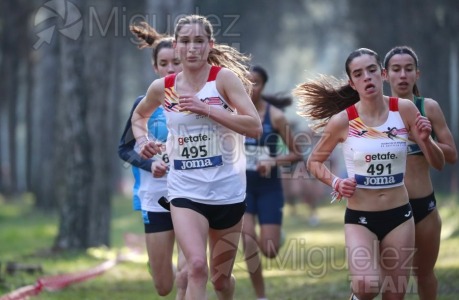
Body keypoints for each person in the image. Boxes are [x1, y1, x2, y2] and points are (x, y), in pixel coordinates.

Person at [293, 48, 445, 300]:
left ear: (382, 74)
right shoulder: (344, 121)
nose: (367, 77)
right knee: (366, 286)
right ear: (352, 83)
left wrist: (427, 141)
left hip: (400, 216)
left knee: (395, 294)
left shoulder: (404, 110)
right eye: (359, 74)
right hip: (360, 217)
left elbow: (438, 163)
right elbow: (315, 162)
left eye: (372, 70)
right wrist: (336, 181)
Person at [131, 15, 262, 300]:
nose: (192, 48)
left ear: (209, 45)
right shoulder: (162, 87)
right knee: (196, 268)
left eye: (199, 41)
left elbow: (254, 126)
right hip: (185, 190)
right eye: (186, 42)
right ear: (176, 46)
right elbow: (139, 115)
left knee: (220, 279)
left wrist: (208, 110)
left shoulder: (223, 80)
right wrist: (142, 140)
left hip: (228, 191)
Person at [117, 22, 186, 299]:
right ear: (155, 68)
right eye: (164, 63)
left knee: (189, 270)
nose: (171, 68)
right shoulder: (143, 105)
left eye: (176, 62)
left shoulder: (200, 102)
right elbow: (124, 149)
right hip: (154, 195)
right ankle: (156, 263)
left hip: (191, 192)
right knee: (164, 286)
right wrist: (150, 164)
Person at [384, 46, 457, 299]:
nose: (403, 75)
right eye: (396, 69)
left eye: (408, 69)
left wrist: (426, 139)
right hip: (387, 208)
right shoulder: (376, 112)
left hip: (424, 207)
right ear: (385, 75)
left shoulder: (429, 108)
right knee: (393, 280)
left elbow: (452, 155)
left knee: (424, 273)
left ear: (417, 74)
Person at [242, 65, 302, 299]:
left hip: (268, 187)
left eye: (255, 82)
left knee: (269, 250)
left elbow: (297, 153)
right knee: (247, 239)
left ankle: (274, 237)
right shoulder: (233, 113)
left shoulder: (275, 116)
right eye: (245, 82)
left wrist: (273, 161)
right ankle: (261, 295)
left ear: (263, 85)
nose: (249, 87)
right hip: (241, 188)